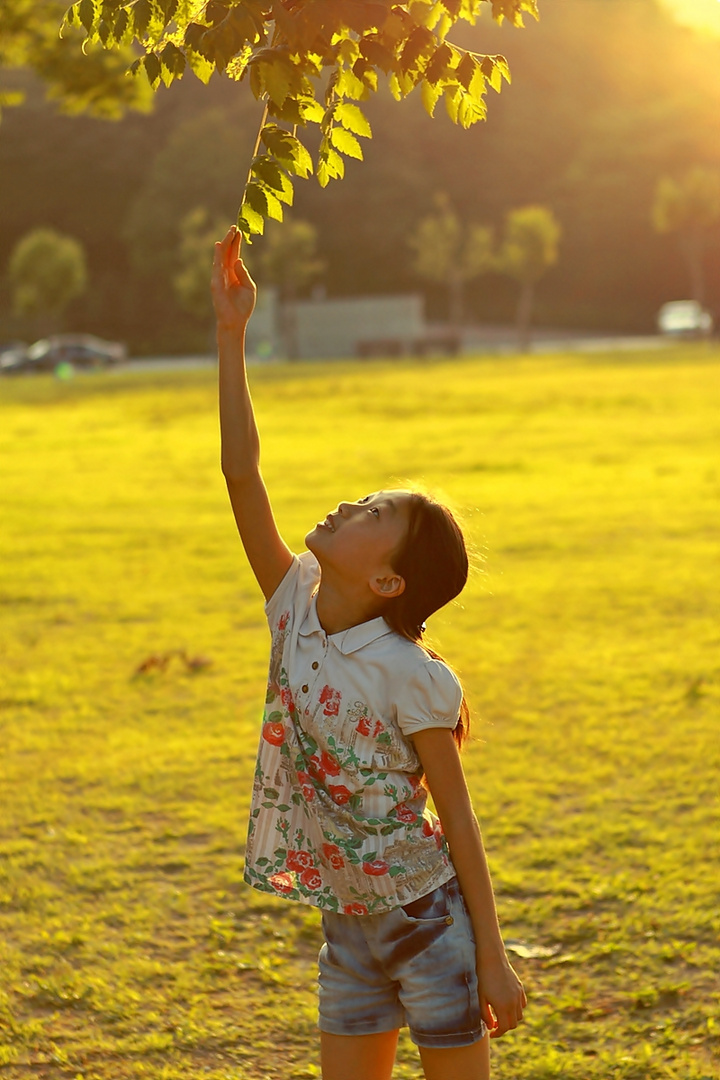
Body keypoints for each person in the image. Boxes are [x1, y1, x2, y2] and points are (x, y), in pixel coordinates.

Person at [212, 226, 526, 1080]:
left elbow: (458, 820)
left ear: (391, 583)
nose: (349, 505)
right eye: (363, 499)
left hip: (430, 923)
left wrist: (492, 958)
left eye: (372, 516)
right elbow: (244, 477)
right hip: (346, 927)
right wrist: (231, 335)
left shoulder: (415, 678)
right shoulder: (294, 608)